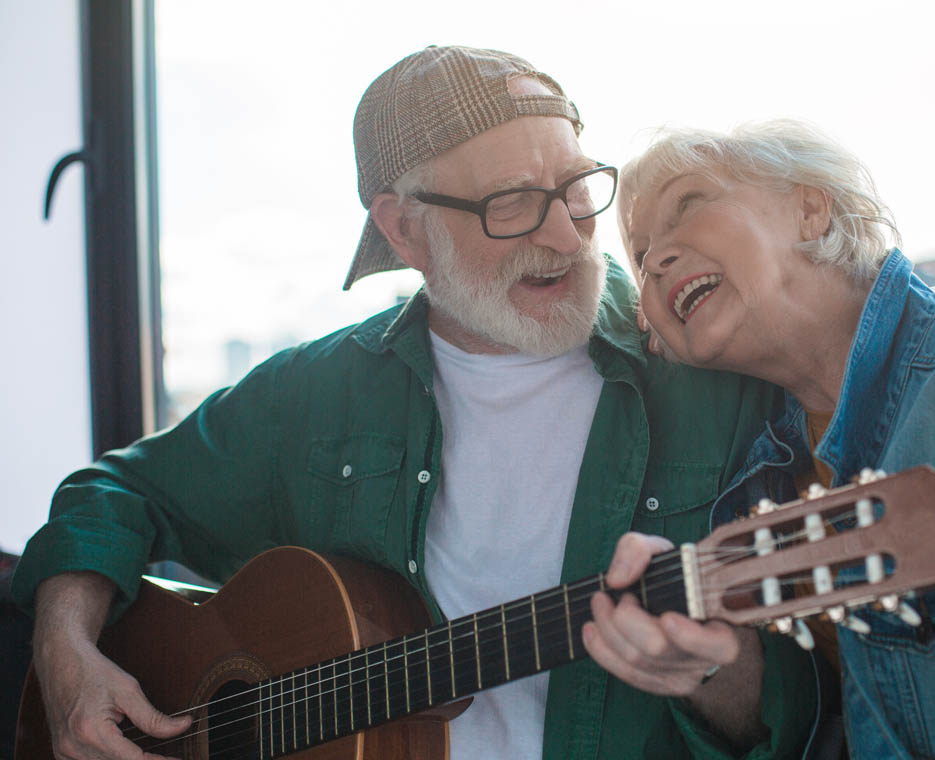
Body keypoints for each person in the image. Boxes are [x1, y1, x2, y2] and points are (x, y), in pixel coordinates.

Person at [12, 47, 822, 760]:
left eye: (577, 188)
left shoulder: (713, 376)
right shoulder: (318, 394)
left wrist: (716, 673)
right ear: (404, 232)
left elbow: (802, 710)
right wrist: (64, 654)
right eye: (511, 203)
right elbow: (111, 495)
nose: (569, 238)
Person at [612, 118, 935, 758]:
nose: (655, 259)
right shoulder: (755, 463)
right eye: (639, 258)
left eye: (688, 206)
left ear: (810, 208)